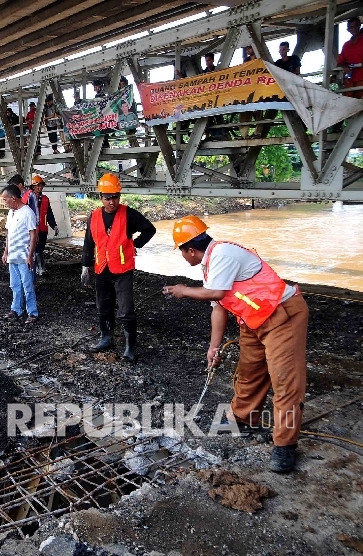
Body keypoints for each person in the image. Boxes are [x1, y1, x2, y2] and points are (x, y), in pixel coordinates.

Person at [162, 216, 308, 474]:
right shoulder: (210, 266)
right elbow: (218, 308)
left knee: (285, 381)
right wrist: (213, 347)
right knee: (249, 372)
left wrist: (184, 290)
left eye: (182, 253)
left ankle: (285, 445)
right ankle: (243, 419)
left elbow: (216, 294)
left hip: (282, 315)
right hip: (253, 321)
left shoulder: (223, 254)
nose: (184, 258)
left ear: (191, 250)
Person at [80, 174, 156, 362]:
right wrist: (85, 265)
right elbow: (89, 241)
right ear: (101, 197)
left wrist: (135, 244)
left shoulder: (129, 214)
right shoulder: (94, 216)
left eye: (115, 196)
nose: (111, 201)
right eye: (107, 197)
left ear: (119, 196)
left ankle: (130, 347)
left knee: (126, 309)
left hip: (122, 271)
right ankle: (107, 338)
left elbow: (149, 229)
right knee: (103, 306)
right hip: (101, 270)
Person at [0, 184, 38, 324]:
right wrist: (6, 252)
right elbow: (9, 234)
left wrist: (30, 256)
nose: (4, 203)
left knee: (27, 286)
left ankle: (32, 312)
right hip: (13, 256)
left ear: (13, 198)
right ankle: (16, 310)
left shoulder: (27, 213)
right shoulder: (11, 212)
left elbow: (33, 235)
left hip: (24, 256)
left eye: (5, 200)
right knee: (15, 285)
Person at [28, 176, 58, 276]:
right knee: (35, 249)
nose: (40, 187)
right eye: (38, 185)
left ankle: (38, 268)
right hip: (32, 229)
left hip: (43, 229)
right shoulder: (29, 199)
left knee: (40, 248)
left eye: (41, 185)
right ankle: (38, 268)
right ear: (33, 187)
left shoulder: (45, 199)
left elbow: (49, 214)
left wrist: (54, 226)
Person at [337, 17, 363, 98]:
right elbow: (340, 62)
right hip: (350, 81)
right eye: (351, 27)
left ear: (359, 25)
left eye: (355, 26)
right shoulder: (346, 45)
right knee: (351, 107)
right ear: (348, 29)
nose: (354, 29)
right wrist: (344, 65)